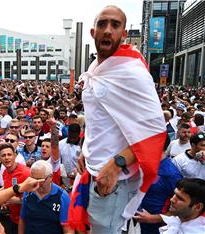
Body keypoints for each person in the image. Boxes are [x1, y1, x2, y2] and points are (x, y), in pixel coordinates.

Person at [76, 5, 166, 233]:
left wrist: (116, 166)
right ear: (93, 32)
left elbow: (155, 129)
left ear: (124, 34)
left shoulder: (132, 71)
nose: (108, 30)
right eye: (102, 24)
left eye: (115, 25)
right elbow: (100, 117)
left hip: (115, 178)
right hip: (96, 170)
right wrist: (84, 149)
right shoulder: (96, 67)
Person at [134, 178, 205, 234]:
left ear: (198, 207)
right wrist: (152, 218)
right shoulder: (182, 217)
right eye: (175, 194)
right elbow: (174, 219)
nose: (172, 200)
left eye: (180, 198)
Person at [19, 160, 71, 234]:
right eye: (34, 179)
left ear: (50, 177)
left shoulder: (62, 196)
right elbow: (22, 219)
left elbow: (68, 229)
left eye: (41, 180)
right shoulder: (28, 192)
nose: (37, 184)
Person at [0, 143, 30, 233]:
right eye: (3, 155)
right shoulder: (5, 172)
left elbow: (35, 198)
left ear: (15, 155)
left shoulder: (25, 173)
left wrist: (14, 200)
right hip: (12, 218)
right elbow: (7, 188)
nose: (6, 158)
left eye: (9, 154)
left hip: (26, 221)